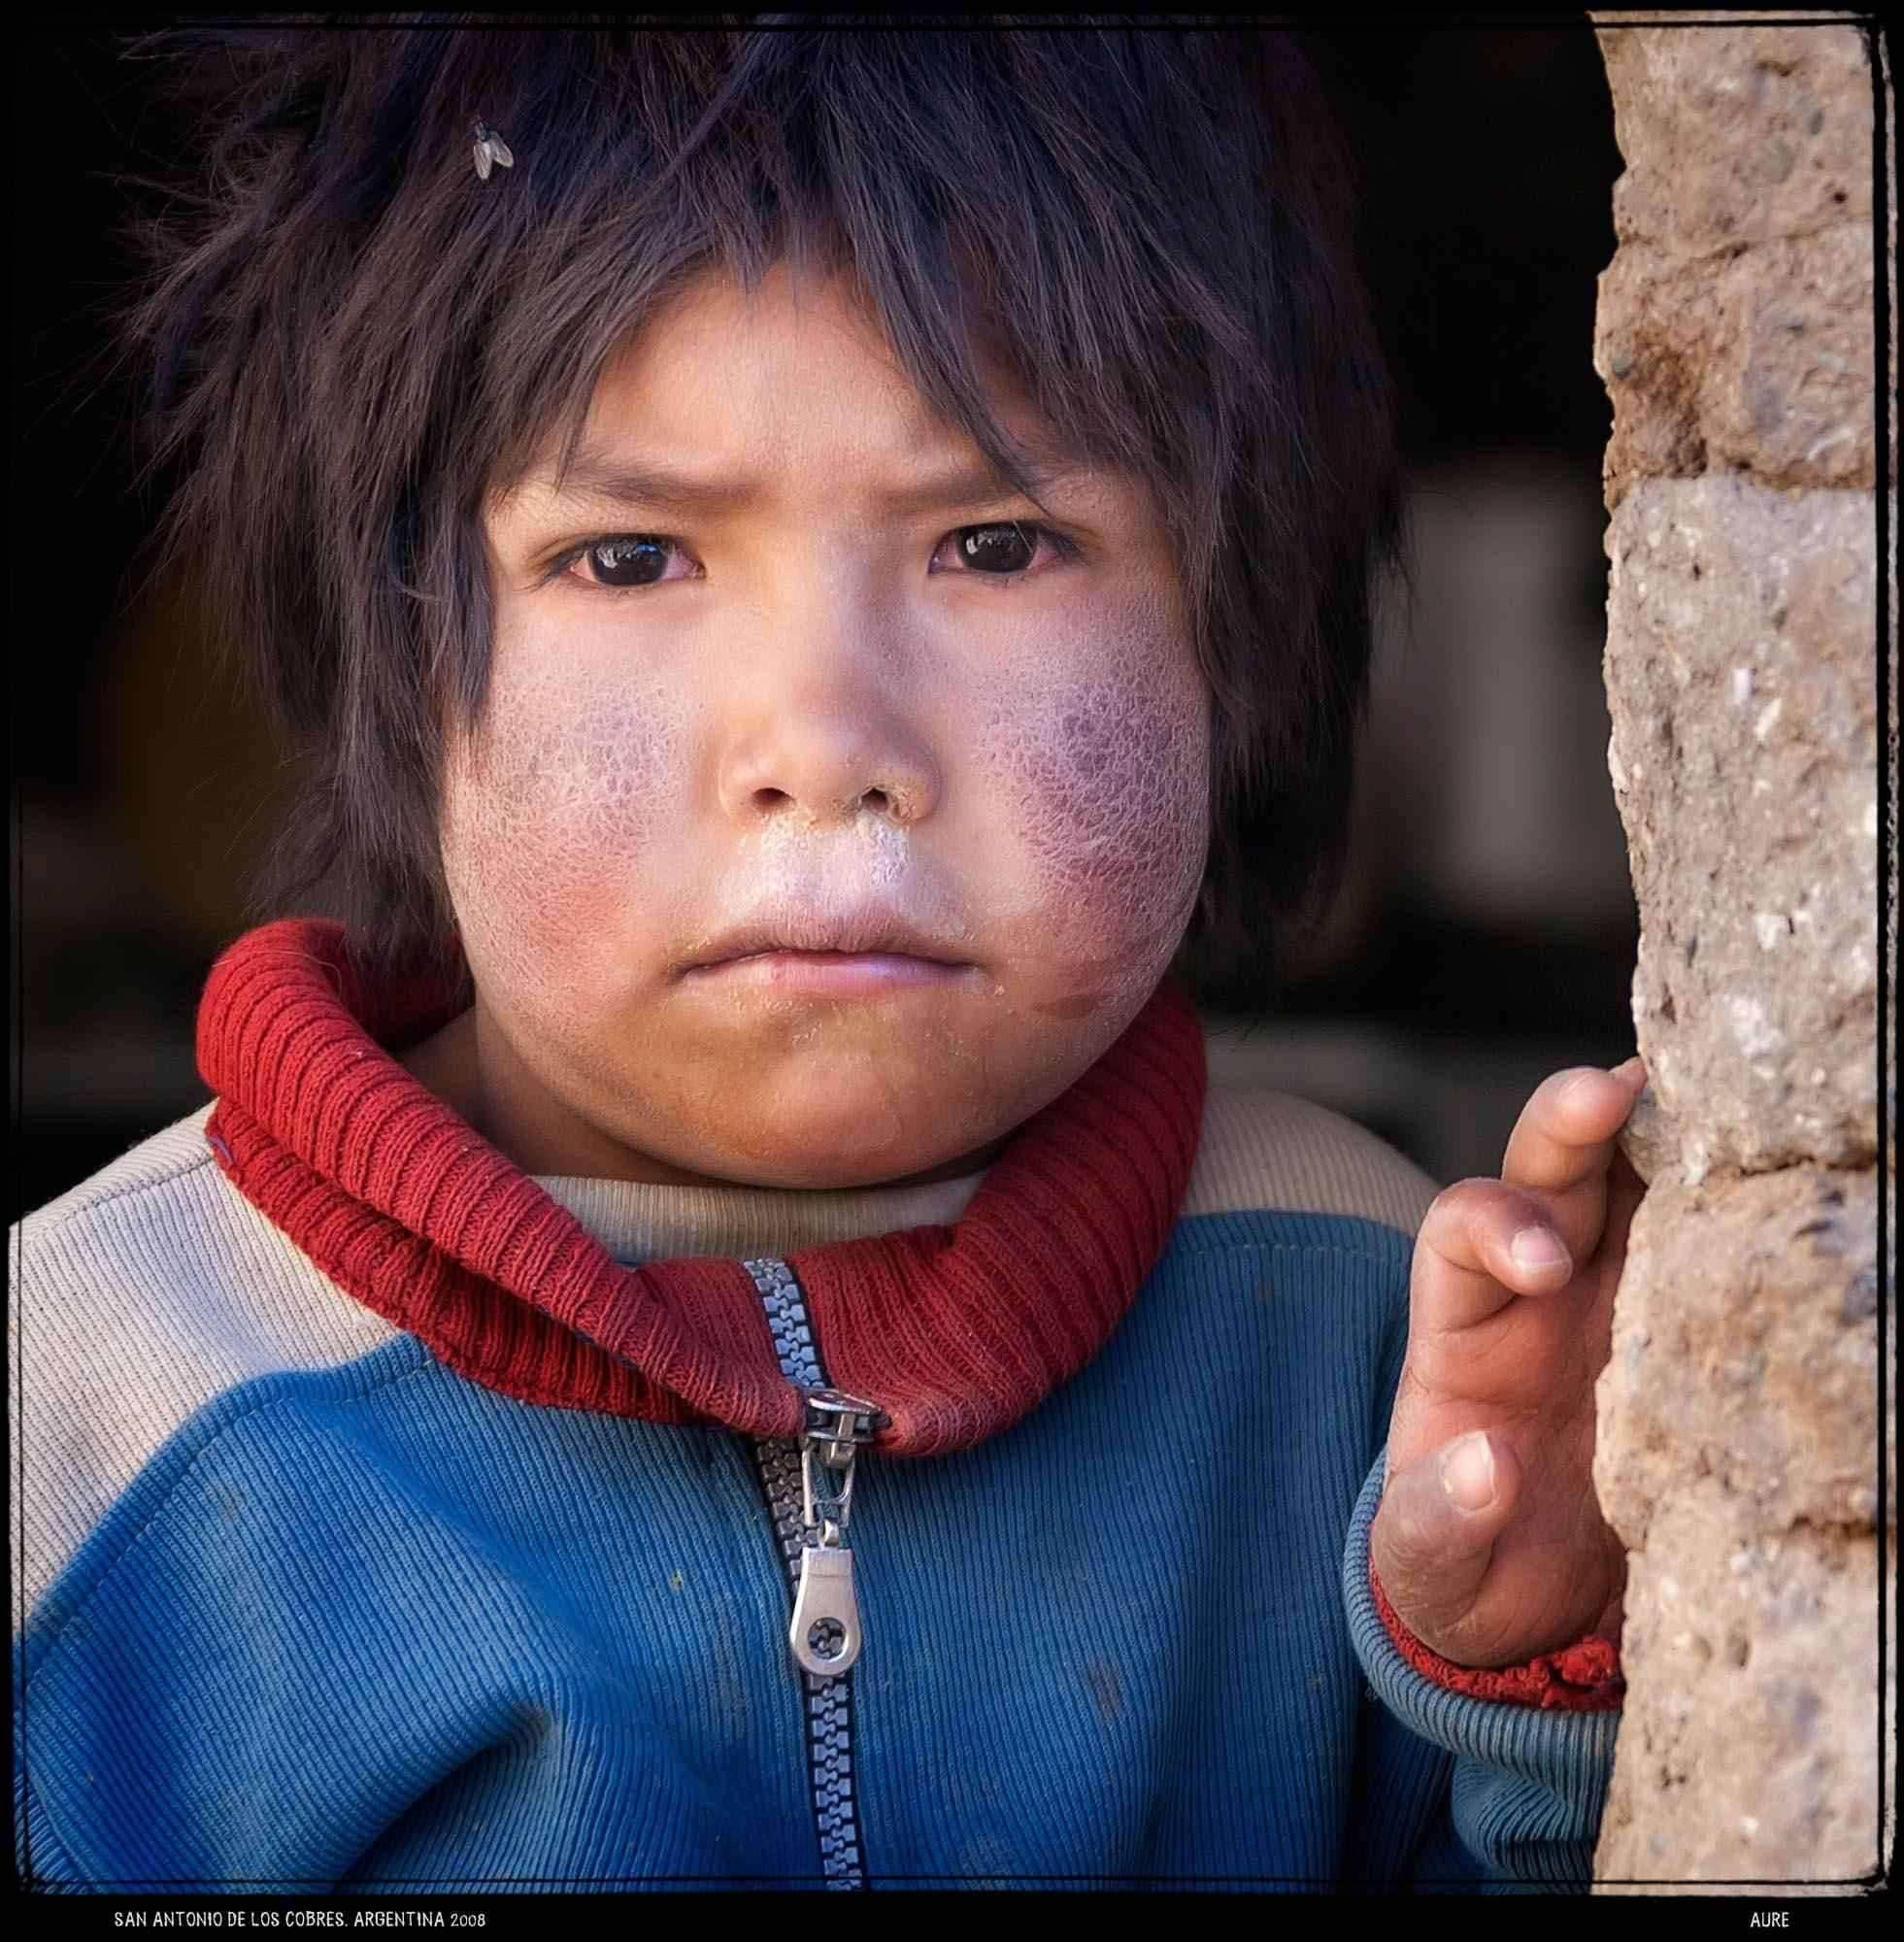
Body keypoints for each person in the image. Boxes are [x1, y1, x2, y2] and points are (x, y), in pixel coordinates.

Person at [12, 22, 1645, 1893]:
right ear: (391, 667)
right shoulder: (91, 1418)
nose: (823, 735)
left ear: (1236, 645)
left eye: (998, 543)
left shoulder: (1378, 1328)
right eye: (628, 559)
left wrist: (1532, 1686)